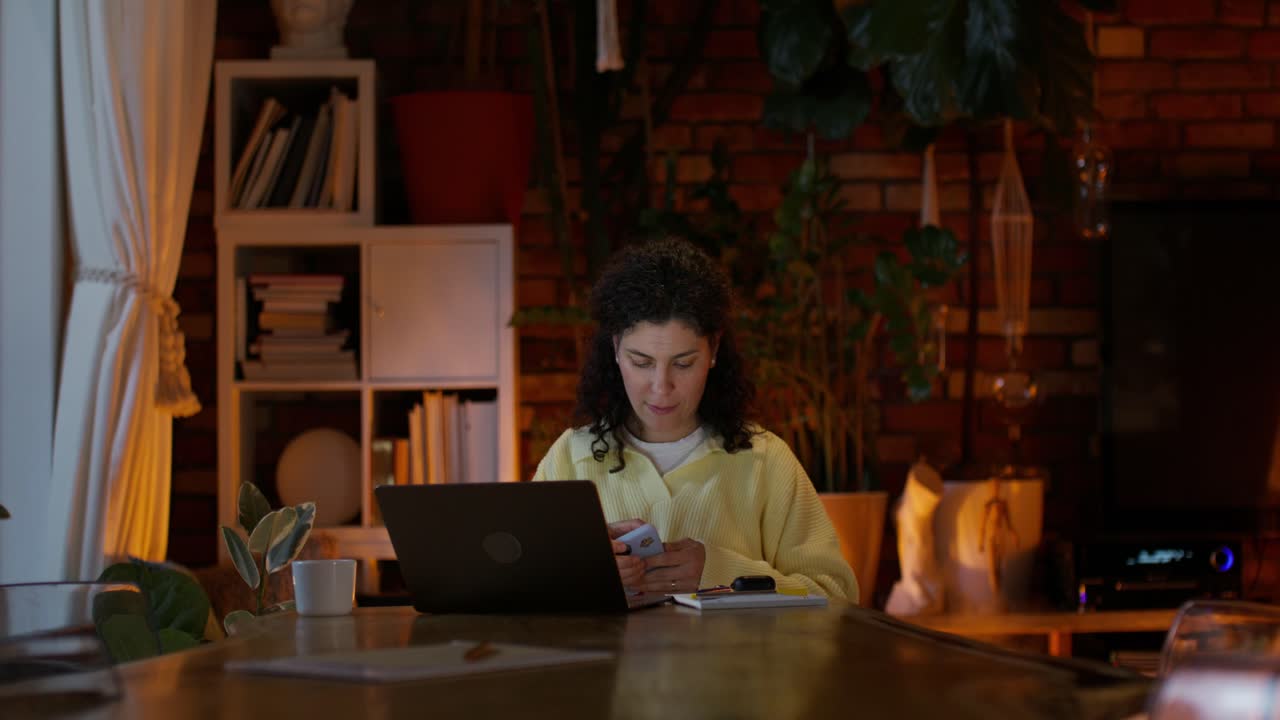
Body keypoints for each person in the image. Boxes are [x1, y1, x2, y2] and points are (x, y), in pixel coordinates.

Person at [532, 237, 858, 602]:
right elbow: (520, 598)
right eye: (641, 362)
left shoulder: (765, 462)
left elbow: (837, 597)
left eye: (684, 363)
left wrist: (721, 572)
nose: (661, 387)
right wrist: (584, 570)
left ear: (713, 349)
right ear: (615, 348)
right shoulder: (571, 458)